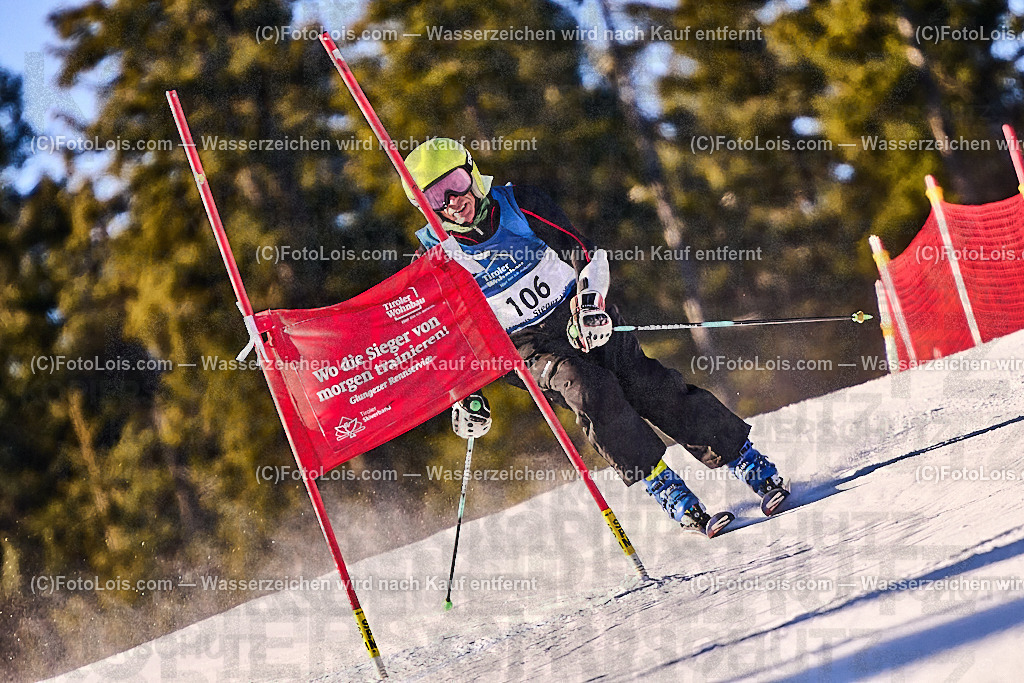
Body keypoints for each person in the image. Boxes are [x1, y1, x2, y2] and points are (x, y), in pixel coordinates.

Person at [405, 138, 787, 533]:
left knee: (647, 385)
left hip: (578, 311)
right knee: (589, 391)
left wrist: (590, 303)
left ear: (472, 173)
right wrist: (462, 396)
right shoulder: (433, 258)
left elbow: (585, 253)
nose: (452, 201)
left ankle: (746, 459)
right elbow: (445, 335)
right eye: (435, 197)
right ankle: (667, 489)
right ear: (424, 207)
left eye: (455, 183)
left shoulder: (520, 203)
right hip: (528, 346)